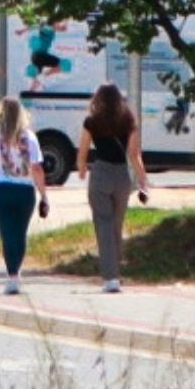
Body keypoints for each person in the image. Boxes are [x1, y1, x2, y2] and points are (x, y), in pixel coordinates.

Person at [0, 94, 51, 294]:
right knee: (20, 233)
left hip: (2, 189)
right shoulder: (30, 137)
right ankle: (16, 270)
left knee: (8, 233)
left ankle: (12, 275)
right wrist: (44, 194)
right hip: (25, 191)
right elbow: (37, 168)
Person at [82, 83, 150, 293]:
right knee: (116, 226)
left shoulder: (92, 121)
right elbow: (133, 153)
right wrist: (142, 180)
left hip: (101, 172)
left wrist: (81, 168)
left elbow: (83, 148)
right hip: (122, 175)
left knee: (103, 224)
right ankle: (116, 274)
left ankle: (110, 277)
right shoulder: (128, 120)